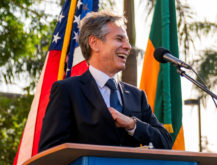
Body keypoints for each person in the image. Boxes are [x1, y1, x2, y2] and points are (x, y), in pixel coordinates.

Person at [38, 10, 172, 152]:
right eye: (119, 39)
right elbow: (50, 152)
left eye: (127, 41)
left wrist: (132, 124)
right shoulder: (68, 90)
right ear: (94, 43)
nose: (128, 47)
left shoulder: (137, 96)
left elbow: (165, 142)